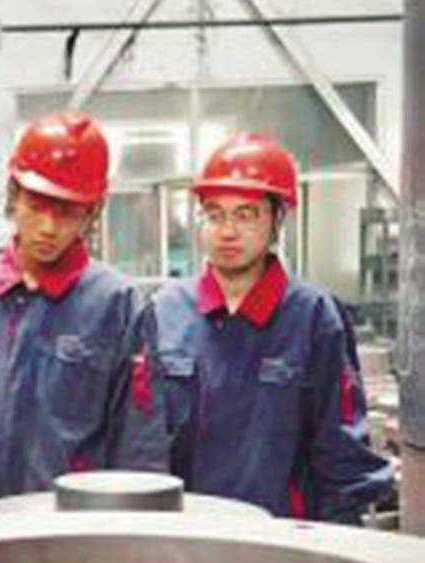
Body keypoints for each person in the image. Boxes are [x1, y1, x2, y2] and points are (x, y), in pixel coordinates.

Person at [122, 132, 393, 520]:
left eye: (246, 214)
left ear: (277, 219)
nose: (227, 231)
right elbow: (141, 445)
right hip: (185, 536)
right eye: (215, 214)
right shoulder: (166, 312)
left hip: (280, 539)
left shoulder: (313, 317)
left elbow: (341, 452)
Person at [0, 111, 144, 513]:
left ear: (92, 213)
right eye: (36, 206)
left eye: (67, 212)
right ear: (13, 196)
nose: (48, 228)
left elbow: (137, 445)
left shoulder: (116, 304)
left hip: (68, 530)